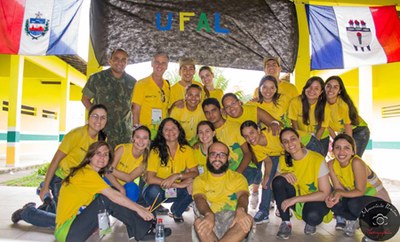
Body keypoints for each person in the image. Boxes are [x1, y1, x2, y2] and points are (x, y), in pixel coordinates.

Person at [325, 134, 390, 238]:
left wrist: (338, 193)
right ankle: (354, 220)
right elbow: (339, 189)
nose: (341, 152)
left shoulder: (356, 162)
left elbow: (360, 191)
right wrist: (332, 198)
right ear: (332, 150)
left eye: (346, 148)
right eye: (337, 147)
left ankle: (376, 227)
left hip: (378, 202)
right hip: (359, 199)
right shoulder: (331, 165)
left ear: (353, 151)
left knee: (353, 204)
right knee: (334, 203)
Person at [272, 128, 331, 239]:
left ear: (299, 139)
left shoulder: (317, 159)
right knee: (278, 181)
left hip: (315, 200)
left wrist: (294, 200)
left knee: (312, 216)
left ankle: (310, 221)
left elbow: (325, 193)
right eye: (285, 141)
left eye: (293, 139)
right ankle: (286, 223)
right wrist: (282, 175)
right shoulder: (283, 159)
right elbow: (274, 185)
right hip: (296, 200)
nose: (290, 144)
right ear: (282, 145)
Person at [193, 142, 253, 242]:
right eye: (213, 154)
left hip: (234, 220)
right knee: (199, 222)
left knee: (247, 219)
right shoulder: (199, 180)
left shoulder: (238, 178)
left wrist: (241, 210)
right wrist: (208, 214)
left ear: (228, 158)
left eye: (222, 155)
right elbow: (199, 198)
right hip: (211, 220)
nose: (217, 158)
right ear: (207, 157)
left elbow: (243, 196)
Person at [143, 118, 199, 223]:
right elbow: (150, 179)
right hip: (160, 190)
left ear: (179, 130)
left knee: (196, 184)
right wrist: (177, 185)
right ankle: (152, 216)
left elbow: (195, 172)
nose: (170, 132)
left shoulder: (187, 150)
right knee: (153, 191)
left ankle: (176, 211)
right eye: (166, 129)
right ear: (162, 133)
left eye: (173, 128)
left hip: (175, 192)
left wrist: (177, 176)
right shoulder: (156, 150)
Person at [81, 48, 136, 148]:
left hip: (124, 134)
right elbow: (85, 99)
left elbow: (134, 107)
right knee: (99, 161)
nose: (120, 62)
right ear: (110, 60)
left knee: (123, 162)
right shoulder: (97, 78)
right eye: (116, 58)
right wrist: (96, 117)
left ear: (127, 62)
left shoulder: (132, 82)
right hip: (101, 132)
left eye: (124, 59)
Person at [240, 120, 284, 224]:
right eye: (246, 136)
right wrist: (267, 176)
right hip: (274, 156)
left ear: (258, 130)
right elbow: (268, 161)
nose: (250, 138)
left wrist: (275, 123)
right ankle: (264, 212)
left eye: (252, 133)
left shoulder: (272, 133)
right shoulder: (254, 146)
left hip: (291, 154)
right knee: (266, 183)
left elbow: (292, 140)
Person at [201, 98, 252, 178]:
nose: (211, 115)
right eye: (207, 112)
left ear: (220, 110)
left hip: (245, 169)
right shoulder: (207, 133)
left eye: (213, 110)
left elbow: (248, 154)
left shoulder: (235, 127)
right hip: (223, 173)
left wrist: (237, 174)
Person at [325, 76, 371, 157]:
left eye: (335, 87)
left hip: (359, 131)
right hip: (344, 132)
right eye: (328, 86)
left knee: (352, 159)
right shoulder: (321, 104)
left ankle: (366, 170)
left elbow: (347, 125)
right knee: (345, 159)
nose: (331, 89)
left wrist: (348, 145)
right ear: (324, 87)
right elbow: (327, 126)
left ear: (339, 91)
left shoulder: (343, 105)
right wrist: (336, 140)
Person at [105, 125, 151, 202]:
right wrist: (120, 188)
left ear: (149, 141)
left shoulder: (146, 159)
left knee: (133, 188)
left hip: (126, 185)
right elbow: (107, 172)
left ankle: (127, 211)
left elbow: (129, 178)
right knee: (102, 182)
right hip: (111, 181)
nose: (141, 141)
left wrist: (111, 169)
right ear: (132, 139)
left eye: (145, 138)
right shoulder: (122, 149)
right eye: (138, 137)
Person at [288, 76, 330, 156]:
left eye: (316, 88)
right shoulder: (295, 102)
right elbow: (294, 122)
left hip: (321, 137)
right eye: (309, 87)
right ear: (305, 88)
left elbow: (323, 126)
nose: (312, 91)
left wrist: (315, 142)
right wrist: (299, 140)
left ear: (321, 92)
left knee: (319, 162)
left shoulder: (325, 105)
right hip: (302, 137)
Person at [131, 52, 170, 139]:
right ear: (152, 64)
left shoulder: (167, 86)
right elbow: (135, 111)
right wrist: (136, 133)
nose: (160, 65)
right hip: (145, 134)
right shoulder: (141, 84)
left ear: (167, 66)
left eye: (163, 63)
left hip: (162, 133)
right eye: (157, 62)